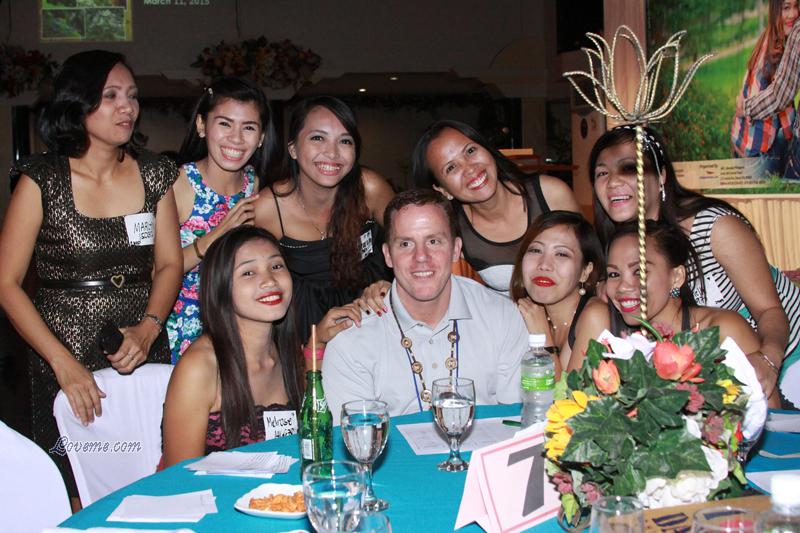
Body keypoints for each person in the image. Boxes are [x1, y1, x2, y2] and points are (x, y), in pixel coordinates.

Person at [0, 51, 182, 489]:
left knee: (151, 468)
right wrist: (61, 362)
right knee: (74, 477)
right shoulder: (42, 179)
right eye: (111, 96)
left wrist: (149, 329)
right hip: (61, 350)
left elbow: (170, 263)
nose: (127, 107)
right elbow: (6, 283)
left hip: (140, 344)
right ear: (77, 104)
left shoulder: (155, 173)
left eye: (132, 96)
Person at [589, 125, 799, 407]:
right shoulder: (621, 242)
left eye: (628, 168)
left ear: (661, 176)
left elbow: (769, 309)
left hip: (785, 352)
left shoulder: (713, 227)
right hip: (720, 371)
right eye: (602, 173)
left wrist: (768, 360)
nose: (613, 182)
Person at [322, 189, 530, 419]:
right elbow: (356, 436)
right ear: (388, 255)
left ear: (456, 249)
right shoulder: (351, 341)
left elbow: (517, 420)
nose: (421, 256)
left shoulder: (501, 317)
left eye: (433, 241)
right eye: (405, 244)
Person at [570, 222, 768, 402]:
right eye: (614, 274)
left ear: (677, 276)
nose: (623, 286)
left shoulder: (722, 331)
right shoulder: (614, 343)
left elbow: (770, 413)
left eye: (639, 272)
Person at [253, 96, 395, 345]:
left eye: (345, 141)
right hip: (302, 327)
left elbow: (412, 243)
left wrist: (392, 285)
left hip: (371, 316)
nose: (332, 152)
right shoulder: (268, 208)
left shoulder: (369, 189)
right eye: (318, 138)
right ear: (293, 149)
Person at [161, 227, 303, 467]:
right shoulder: (200, 368)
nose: (269, 280)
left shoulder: (287, 352)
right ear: (221, 287)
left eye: (276, 266)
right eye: (248, 272)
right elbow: (179, 477)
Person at [165, 77, 278, 362]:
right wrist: (217, 234)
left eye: (248, 127)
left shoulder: (254, 183)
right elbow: (154, 269)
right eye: (225, 124)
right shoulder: (179, 183)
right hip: (183, 328)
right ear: (202, 125)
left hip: (238, 326)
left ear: (261, 137)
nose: (236, 138)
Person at [410, 119, 580, 294]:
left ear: (487, 149)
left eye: (470, 151)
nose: (469, 168)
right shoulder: (454, 231)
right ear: (442, 190)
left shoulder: (550, 194)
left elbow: (589, 262)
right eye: (451, 167)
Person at [508, 211, 603, 374]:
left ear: (585, 271)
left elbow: (574, 390)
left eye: (561, 254)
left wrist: (541, 334)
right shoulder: (524, 312)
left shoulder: (595, 316)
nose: (544, 265)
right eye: (536, 250)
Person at [731, 0, 798, 175]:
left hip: (743, 143)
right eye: (786, 8)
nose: (793, 14)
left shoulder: (769, 37)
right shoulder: (777, 53)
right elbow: (780, 101)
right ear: (775, 11)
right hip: (757, 153)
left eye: (796, 6)